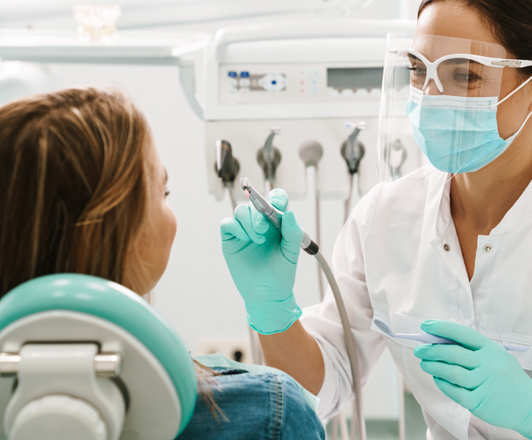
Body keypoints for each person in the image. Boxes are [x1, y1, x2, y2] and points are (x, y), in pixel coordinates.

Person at [220, 1, 532, 439]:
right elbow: (327, 384)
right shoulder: (382, 219)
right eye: (417, 71)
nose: (430, 97)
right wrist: (272, 312)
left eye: (464, 75)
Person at [0, 87, 325, 440]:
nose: (171, 213)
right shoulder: (267, 414)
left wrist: (274, 315)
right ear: (111, 235)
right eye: (162, 194)